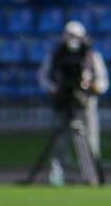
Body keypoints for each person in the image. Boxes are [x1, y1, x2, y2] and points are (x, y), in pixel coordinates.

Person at [38, 21, 108, 186]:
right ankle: (57, 175)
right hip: (63, 103)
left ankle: (90, 175)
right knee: (60, 141)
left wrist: (90, 88)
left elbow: (103, 82)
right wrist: (55, 89)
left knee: (88, 141)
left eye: (76, 36)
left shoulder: (91, 57)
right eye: (70, 36)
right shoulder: (56, 56)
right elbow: (43, 77)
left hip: (85, 104)